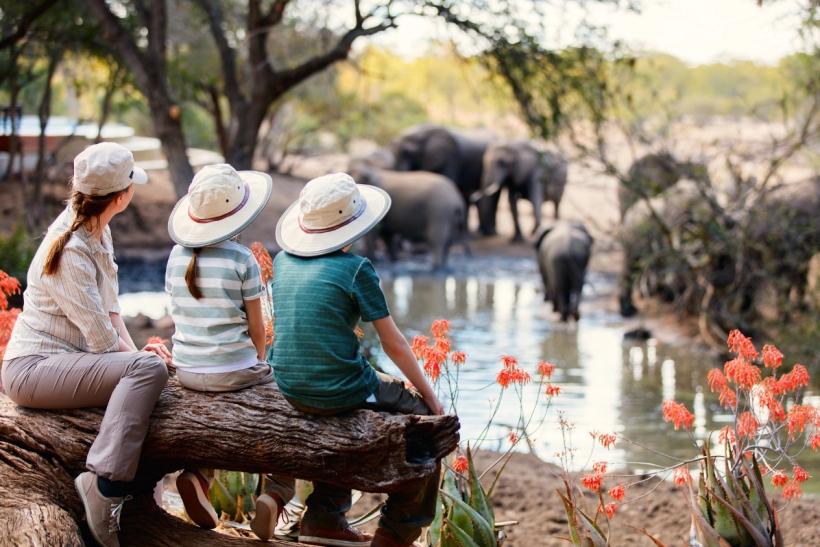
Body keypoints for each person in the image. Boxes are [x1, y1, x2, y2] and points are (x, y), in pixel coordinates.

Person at [1, 142, 172, 547]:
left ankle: (142, 502)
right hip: (32, 370)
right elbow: (100, 339)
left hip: (66, 363)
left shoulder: (98, 231)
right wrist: (140, 364)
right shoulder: (70, 248)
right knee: (149, 371)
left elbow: (111, 312)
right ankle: (105, 486)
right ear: (122, 195)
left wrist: (137, 354)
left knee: (149, 369)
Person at [272, 172, 446, 547]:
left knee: (342, 410)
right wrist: (429, 397)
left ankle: (324, 518)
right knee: (427, 427)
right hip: (340, 389)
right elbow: (394, 343)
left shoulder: (283, 261)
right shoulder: (356, 269)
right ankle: (397, 531)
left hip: (287, 385)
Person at [165, 163, 293, 540]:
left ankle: (199, 475)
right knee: (286, 412)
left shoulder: (175, 256)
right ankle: (277, 492)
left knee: (210, 412)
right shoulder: (242, 260)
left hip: (187, 369)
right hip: (235, 370)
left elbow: (177, 314)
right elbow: (256, 329)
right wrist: (260, 363)